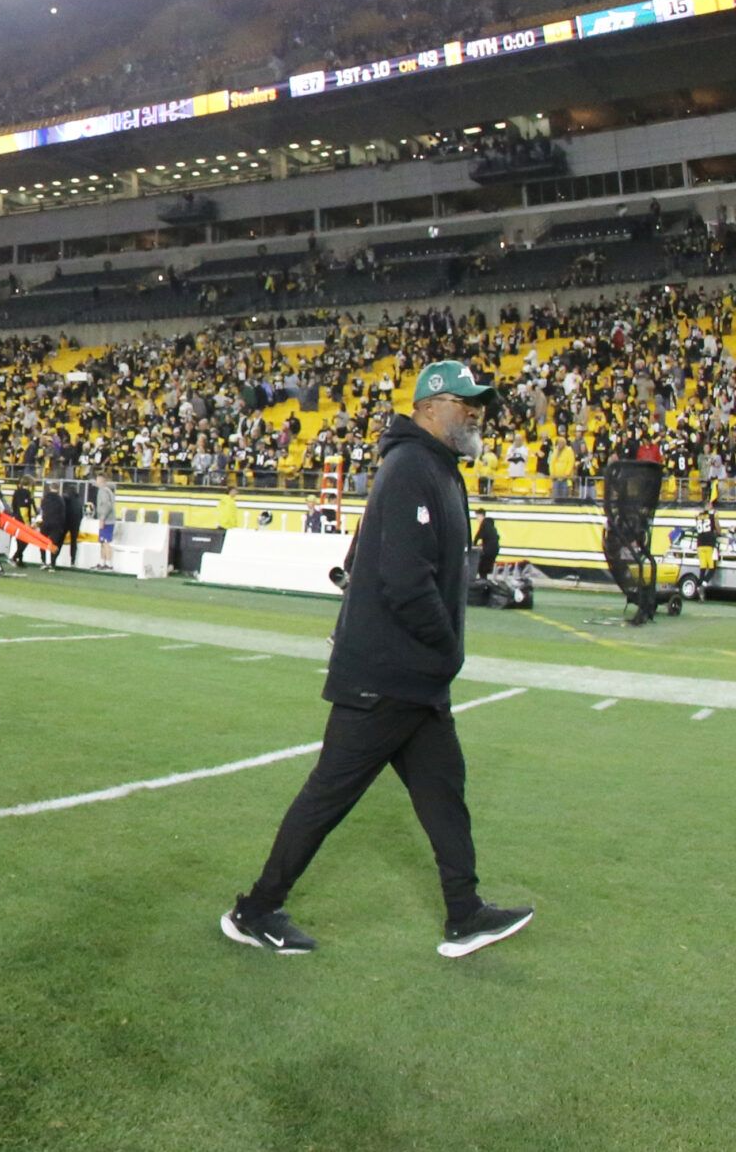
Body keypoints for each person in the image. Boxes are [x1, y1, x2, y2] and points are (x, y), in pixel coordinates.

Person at [221, 360, 534, 959]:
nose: (477, 412)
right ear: (427, 407)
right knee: (328, 797)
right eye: (465, 402)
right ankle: (255, 910)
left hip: (413, 679)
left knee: (444, 792)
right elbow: (404, 580)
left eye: (481, 403)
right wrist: (447, 647)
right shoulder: (412, 466)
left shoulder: (436, 469)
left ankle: (465, 913)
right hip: (386, 678)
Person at [38, 480, 68, 571]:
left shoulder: (45, 498)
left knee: (42, 542)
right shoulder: (60, 500)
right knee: (54, 544)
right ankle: (52, 563)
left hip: (46, 522)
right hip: (56, 524)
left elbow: (42, 509)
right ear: (58, 489)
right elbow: (62, 514)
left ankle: (43, 561)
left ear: (50, 488)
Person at [93, 472, 118, 572]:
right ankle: (102, 563)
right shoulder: (108, 491)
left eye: (98, 480)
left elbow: (107, 506)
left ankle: (108, 564)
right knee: (102, 542)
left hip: (107, 521)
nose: (96, 482)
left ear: (101, 481)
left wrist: (102, 519)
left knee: (106, 542)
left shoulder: (103, 491)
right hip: (109, 520)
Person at [8, 479, 36, 567]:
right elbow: (24, 509)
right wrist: (27, 523)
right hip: (23, 520)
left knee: (19, 540)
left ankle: (19, 559)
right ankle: (15, 557)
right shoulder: (26, 493)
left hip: (16, 518)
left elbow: (14, 505)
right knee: (25, 540)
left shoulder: (16, 492)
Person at [474, 509, 501, 580]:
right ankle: (484, 583)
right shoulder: (491, 526)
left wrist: (474, 544)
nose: (477, 519)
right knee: (485, 569)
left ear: (481, 516)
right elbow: (494, 537)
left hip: (488, 550)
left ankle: (482, 585)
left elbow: (478, 535)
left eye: (477, 517)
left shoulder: (484, 524)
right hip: (495, 549)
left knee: (481, 569)